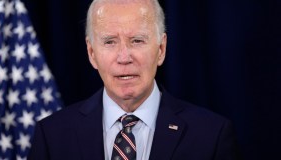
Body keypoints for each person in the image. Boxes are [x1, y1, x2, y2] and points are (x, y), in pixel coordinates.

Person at [28, 0, 240, 159]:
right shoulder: (52, 137)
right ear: (92, 53)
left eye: (137, 40)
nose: (124, 57)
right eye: (110, 42)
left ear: (161, 49)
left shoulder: (211, 136)